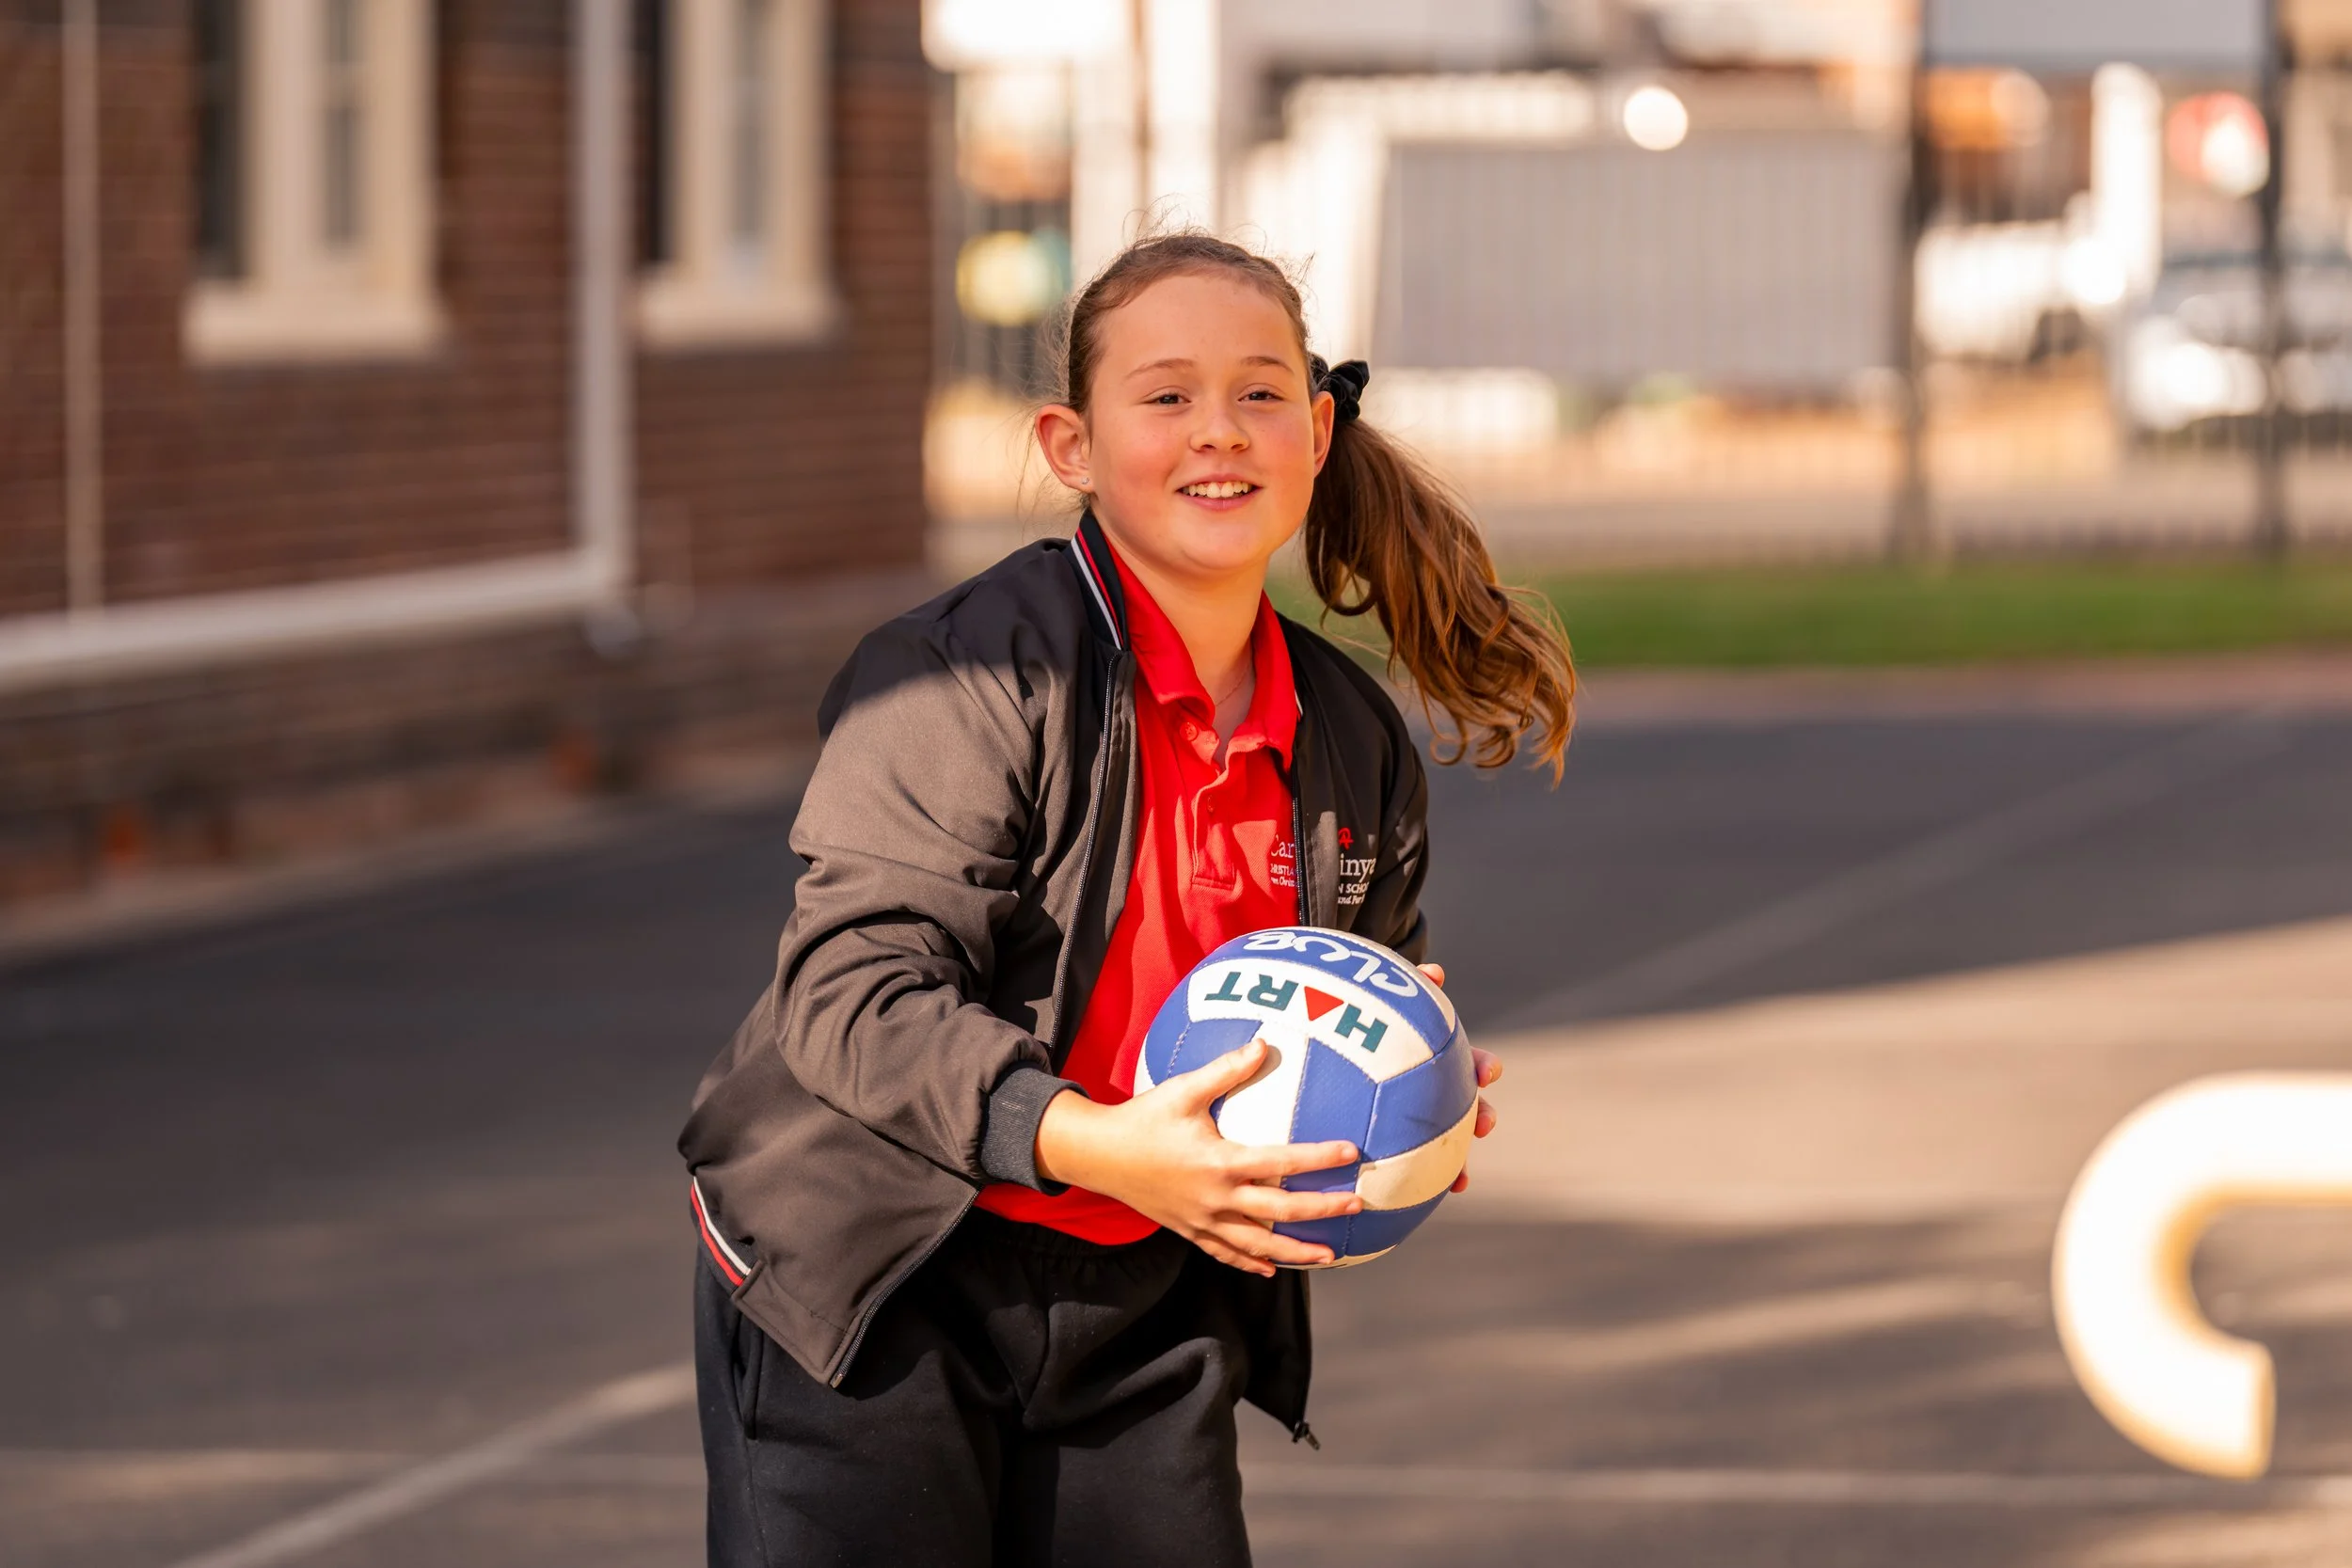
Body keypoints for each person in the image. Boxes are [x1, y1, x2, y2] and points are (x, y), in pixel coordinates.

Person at [679, 231, 1576, 1567]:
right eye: (1165, 396)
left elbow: (1355, 972)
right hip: (875, 1279)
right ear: (1072, 445)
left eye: (1262, 392)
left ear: (1320, 431)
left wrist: (1405, 1070)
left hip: (1142, 1291)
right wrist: (1096, 1139)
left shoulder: (1346, 738)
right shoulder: (962, 674)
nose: (1220, 430)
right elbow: (853, 996)